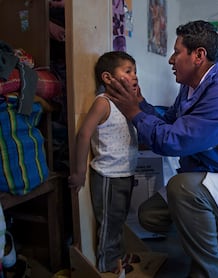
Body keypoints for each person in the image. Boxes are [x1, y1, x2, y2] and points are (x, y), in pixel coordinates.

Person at [107, 20, 218, 278]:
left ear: (198, 55)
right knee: (150, 215)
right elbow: (172, 121)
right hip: (215, 175)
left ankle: (210, 269)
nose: (171, 60)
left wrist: (133, 112)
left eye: (176, 52)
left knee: (182, 187)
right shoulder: (192, 86)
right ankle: (212, 235)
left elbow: (172, 142)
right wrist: (141, 104)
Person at [68, 51, 140, 274]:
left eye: (135, 72)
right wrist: (79, 172)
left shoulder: (127, 103)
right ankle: (107, 266)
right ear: (107, 78)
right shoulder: (103, 103)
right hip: (109, 176)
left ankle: (116, 258)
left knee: (119, 221)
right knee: (109, 224)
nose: (134, 76)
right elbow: (83, 135)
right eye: (128, 71)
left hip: (125, 174)